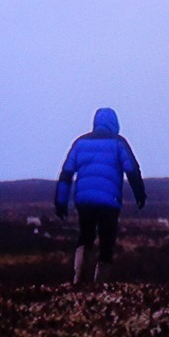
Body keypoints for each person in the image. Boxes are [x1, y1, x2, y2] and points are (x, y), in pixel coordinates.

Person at [54, 108, 147, 284]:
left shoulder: (80, 143)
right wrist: (140, 194)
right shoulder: (119, 143)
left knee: (85, 236)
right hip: (109, 202)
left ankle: (78, 278)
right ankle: (100, 283)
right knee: (107, 241)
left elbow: (66, 174)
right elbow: (132, 170)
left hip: (84, 200)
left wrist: (60, 201)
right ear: (115, 123)